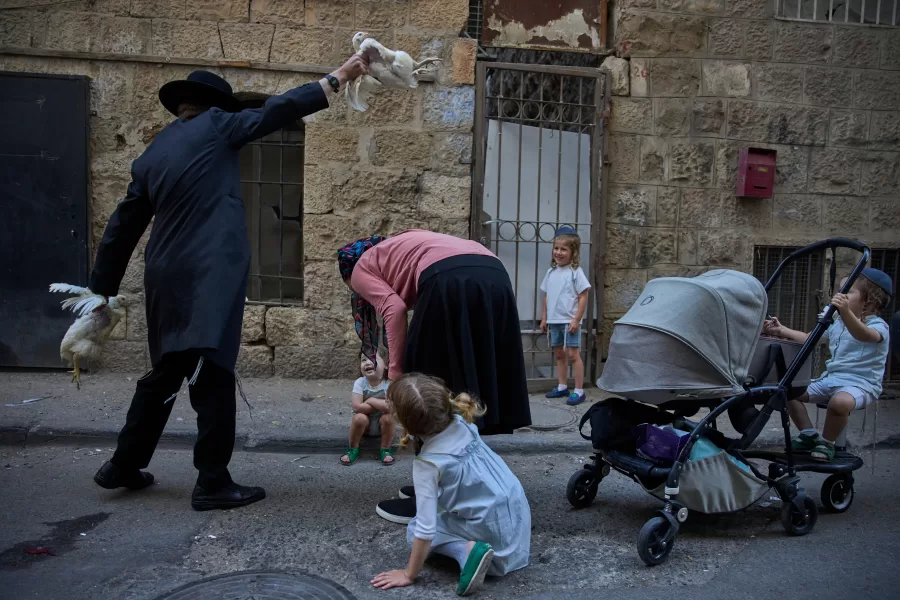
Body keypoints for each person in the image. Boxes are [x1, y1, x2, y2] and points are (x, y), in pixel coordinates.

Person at [89, 53, 370, 510]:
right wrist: (337, 78)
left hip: (165, 274)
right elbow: (278, 109)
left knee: (168, 370)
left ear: (181, 107)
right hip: (208, 273)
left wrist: (100, 289)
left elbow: (123, 226)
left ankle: (123, 463)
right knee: (212, 370)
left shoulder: (153, 153)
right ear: (216, 105)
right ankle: (212, 481)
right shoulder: (219, 125)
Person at [336, 230, 532, 524]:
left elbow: (394, 308)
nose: (360, 293)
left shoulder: (362, 267)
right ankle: (454, 485)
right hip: (494, 274)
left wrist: (397, 373)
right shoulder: (397, 249)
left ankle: (428, 503)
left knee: (424, 390)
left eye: (354, 289)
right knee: (464, 384)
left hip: (448, 278)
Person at [371, 373, 530, 596]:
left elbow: (426, 529)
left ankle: (466, 552)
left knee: (414, 529)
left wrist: (408, 574)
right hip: (516, 519)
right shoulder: (463, 422)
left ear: (405, 422)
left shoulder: (428, 464)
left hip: (493, 537)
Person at [764, 268, 892, 462]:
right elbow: (809, 338)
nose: (839, 295)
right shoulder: (837, 322)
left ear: (870, 300)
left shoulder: (878, 326)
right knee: (787, 390)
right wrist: (781, 330)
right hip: (832, 379)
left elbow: (863, 335)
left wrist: (845, 313)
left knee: (839, 402)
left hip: (862, 384)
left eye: (847, 291)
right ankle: (808, 435)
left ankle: (826, 442)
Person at [539, 226, 591, 406]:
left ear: (573, 252)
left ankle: (578, 390)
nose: (558, 252)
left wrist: (576, 319)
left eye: (563, 249)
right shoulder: (550, 272)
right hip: (554, 321)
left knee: (573, 354)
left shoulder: (576, 272)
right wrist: (544, 318)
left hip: (569, 321)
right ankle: (562, 386)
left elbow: (583, 295)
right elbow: (546, 296)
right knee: (559, 354)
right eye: (556, 248)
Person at [341, 352, 396, 466]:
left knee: (389, 418)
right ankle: (353, 449)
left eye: (372, 358)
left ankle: (385, 449)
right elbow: (357, 407)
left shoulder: (389, 383)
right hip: (364, 425)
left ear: (386, 364)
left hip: (383, 425)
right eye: (363, 360)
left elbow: (391, 407)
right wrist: (380, 405)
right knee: (359, 418)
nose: (367, 362)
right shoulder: (360, 383)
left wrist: (371, 401)